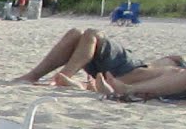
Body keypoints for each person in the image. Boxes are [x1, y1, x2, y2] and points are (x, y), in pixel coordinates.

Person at [11, 27, 172, 86]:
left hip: (127, 70)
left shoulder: (181, 71)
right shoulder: (181, 68)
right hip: (128, 66)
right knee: (76, 33)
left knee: (91, 34)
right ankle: (34, 75)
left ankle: (61, 77)